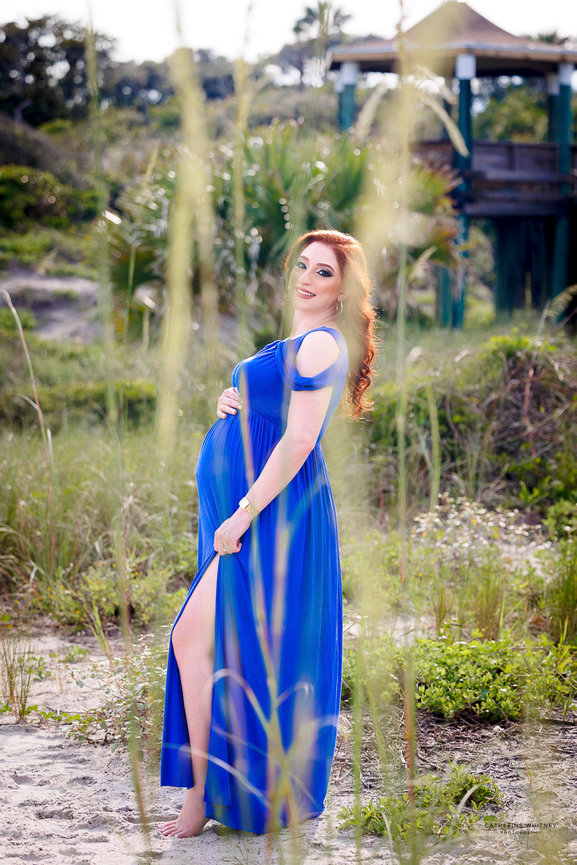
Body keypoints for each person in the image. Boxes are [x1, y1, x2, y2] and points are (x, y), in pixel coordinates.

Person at [159, 229, 376, 837]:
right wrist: (235, 398)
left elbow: (300, 440)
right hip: (253, 508)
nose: (307, 278)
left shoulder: (322, 345)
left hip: (271, 516)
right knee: (226, 643)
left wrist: (243, 513)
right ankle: (215, 791)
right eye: (303, 265)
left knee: (194, 639)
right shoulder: (300, 341)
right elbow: (276, 411)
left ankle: (205, 796)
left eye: (324, 272)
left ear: (342, 290)